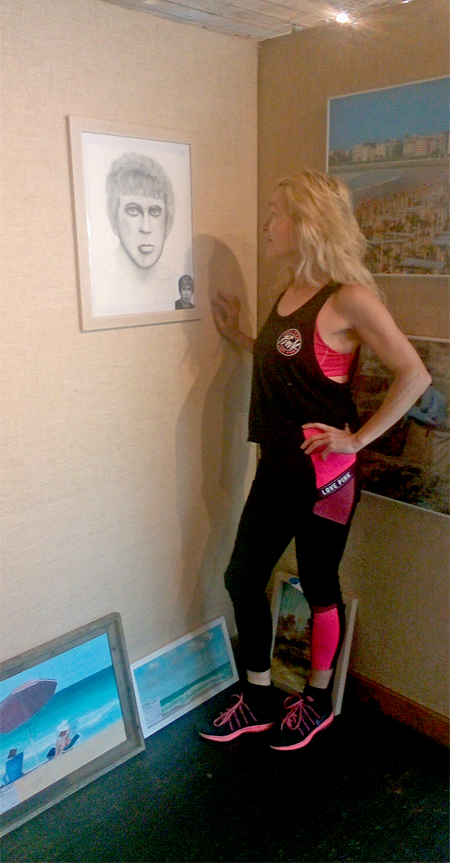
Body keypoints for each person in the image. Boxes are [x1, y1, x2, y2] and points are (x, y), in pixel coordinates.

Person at [200, 170, 431, 750]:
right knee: (241, 577)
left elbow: (414, 374)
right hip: (276, 467)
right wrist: (240, 336)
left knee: (320, 584)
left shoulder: (349, 297)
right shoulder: (288, 293)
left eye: (275, 212)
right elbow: (288, 362)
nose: (267, 224)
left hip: (326, 478)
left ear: (306, 223)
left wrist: (357, 440)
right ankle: (258, 696)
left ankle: (317, 701)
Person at [91, 153, 177, 314]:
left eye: (155, 211)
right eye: (133, 211)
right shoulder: (98, 281)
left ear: (168, 221)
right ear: (114, 219)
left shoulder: (174, 283)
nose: (146, 228)